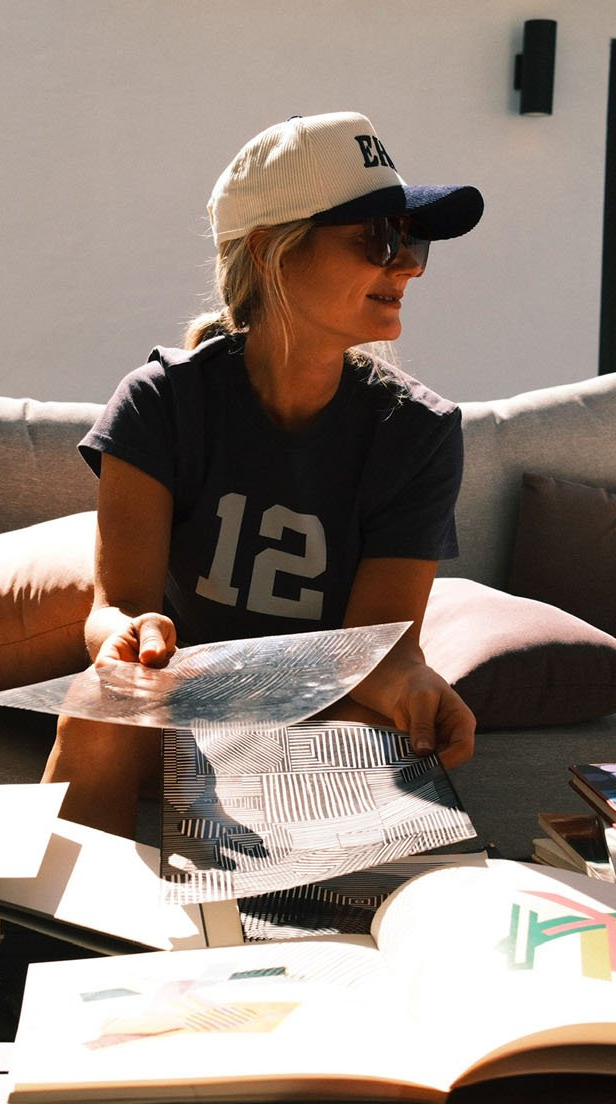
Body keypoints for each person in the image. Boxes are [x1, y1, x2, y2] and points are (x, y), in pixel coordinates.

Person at [42, 111, 484, 837]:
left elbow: (379, 652)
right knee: (100, 704)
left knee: (378, 735)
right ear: (270, 251)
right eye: (379, 238)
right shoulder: (159, 403)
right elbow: (115, 606)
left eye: (412, 240)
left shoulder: (418, 433)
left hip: (317, 705)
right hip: (178, 704)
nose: (407, 265)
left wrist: (412, 684)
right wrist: (126, 636)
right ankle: (60, 910)